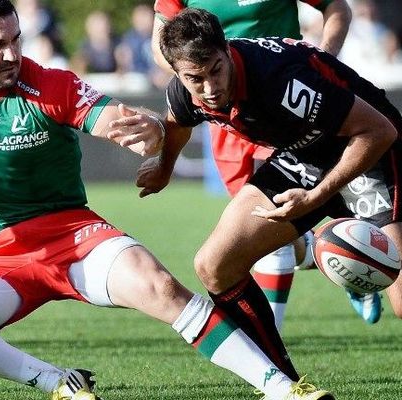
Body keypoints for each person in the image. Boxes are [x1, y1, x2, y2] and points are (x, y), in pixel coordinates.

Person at [0, 1, 335, 399]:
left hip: (74, 238)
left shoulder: (47, 83)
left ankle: (281, 387)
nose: (13, 54)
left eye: (16, 39)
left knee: (161, 286)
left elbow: (102, 115)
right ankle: (55, 381)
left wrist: (140, 134)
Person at [130, 6, 401, 389]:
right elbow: (177, 120)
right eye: (195, 78)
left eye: (216, 70)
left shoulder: (279, 80)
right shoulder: (187, 91)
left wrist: (318, 197)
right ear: (176, 73)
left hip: (367, 148)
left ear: (227, 50)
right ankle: (287, 387)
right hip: (304, 153)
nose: (210, 87)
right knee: (215, 265)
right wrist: (164, 167)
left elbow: (379, 130)